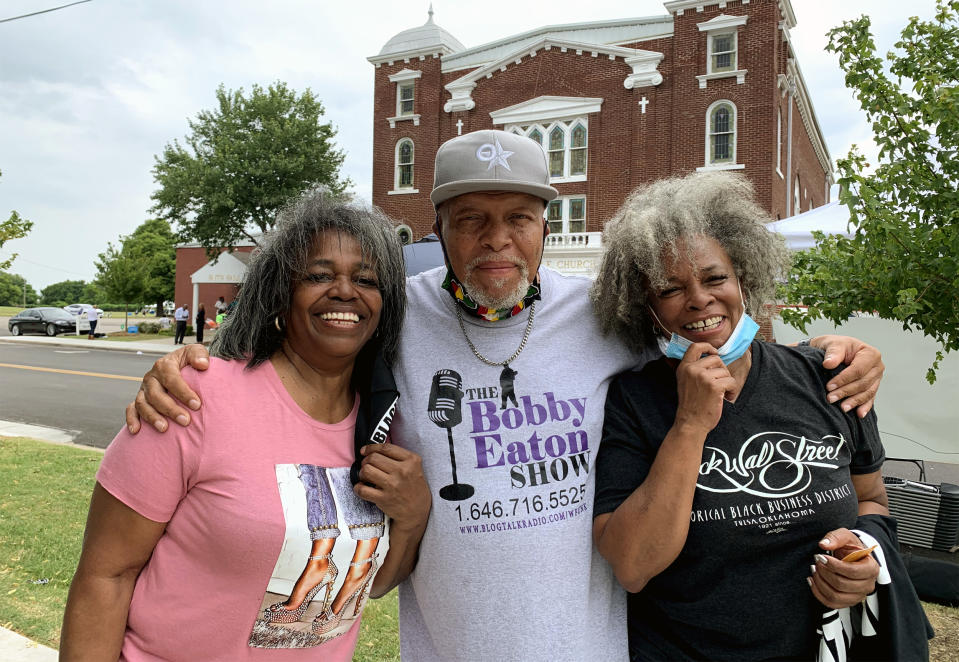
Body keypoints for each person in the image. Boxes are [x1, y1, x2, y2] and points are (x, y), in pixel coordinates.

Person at [123, 130, 886, 661]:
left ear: (545, 224)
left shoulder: (601, 314)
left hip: (595, 648)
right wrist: (194, 363)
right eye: (472, 220)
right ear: (439, 228)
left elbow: (708, 328)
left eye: (518, 218)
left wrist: (833, 354)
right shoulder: (391, 313)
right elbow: (295, 350)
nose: (497, 240)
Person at [60, 194, 431, 661]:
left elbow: (370, 584)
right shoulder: (192, 398)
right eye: (318, 275)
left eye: (366, 280)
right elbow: (105, 577)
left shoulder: (382, 425)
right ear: (280, 292)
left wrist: (414, 515)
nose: (343, 291)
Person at [590, 172, 931, 661]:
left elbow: (872, 499)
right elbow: (631, 566)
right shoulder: (631, 401)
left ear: (743, 280)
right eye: (670, 289)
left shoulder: (828, 377)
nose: (699, 300)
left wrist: (864, 552)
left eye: (714, 278)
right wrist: (689, 425)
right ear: (644, 308)